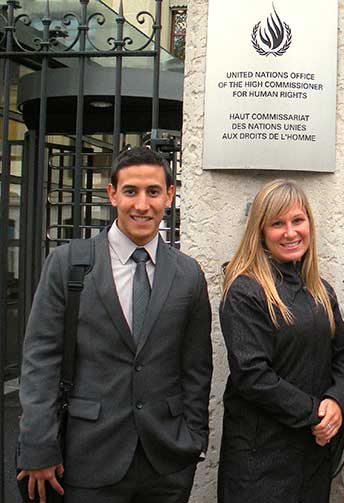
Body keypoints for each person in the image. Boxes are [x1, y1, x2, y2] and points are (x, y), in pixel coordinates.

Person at [16, 146, 213, 503]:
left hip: (167, 463)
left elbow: (197, 367)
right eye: (130, 191)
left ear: (169, 195)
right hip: (88, 459)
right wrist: (38, 444)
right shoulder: (67, 265)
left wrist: (193, 440)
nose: (142, 205)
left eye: (153, 192)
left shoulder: (188, 275)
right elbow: (41, 360)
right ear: (112, 194)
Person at [218, 179, 344, 503]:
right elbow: (253, 375)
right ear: (261, 232)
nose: (291, 232)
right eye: (278, 223)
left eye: (298, 220)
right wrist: (316, 414)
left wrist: (337, 402)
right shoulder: (245, 290)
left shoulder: (320, 290)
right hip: (260, 461)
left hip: (311, 456)